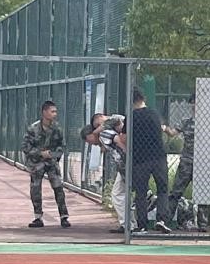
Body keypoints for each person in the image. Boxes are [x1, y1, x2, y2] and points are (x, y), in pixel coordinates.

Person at [122, 88, 171, 235]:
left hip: (140, 158)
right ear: (143, 98)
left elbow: (124, 138)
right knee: (162, 189)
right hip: (158, 156)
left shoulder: (131, 117)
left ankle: (142, 225)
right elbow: (161, 130)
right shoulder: (154, 114)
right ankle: (162, 219)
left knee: (141, 192)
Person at [81, 113, 134, 234]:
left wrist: (127, 155)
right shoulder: (103, 136)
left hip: (126, 163)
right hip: (123, 164)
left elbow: (117, 140)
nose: (91, 144)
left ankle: (128, 224)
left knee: (118, 193)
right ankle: (128, 223)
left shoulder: (103, 133)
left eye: (89, 140)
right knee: (119, 193)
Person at [22, 100, 71, 229]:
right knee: (35, 189)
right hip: (36, 163)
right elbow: (26, 147)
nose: (55, 114)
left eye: (55, 111)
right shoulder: (33, 128)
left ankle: (64, 216)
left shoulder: (57, 128)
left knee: (58, 187)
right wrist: (40, 153)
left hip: (51, 162)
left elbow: (62, 145)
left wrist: (53, 155)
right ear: (44, 112)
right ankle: (38, 217)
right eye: (52, 111)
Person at [165, 94, 208, 232]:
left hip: (203, 162)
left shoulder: (209, 122)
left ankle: (203, 223)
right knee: (176, 191)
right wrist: (164, 127)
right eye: (193, 103)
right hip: (186, 161)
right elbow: (173, 132)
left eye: (197, 102)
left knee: (203, 194)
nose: (195, 105)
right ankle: (166, 220)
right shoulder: (186, 122)